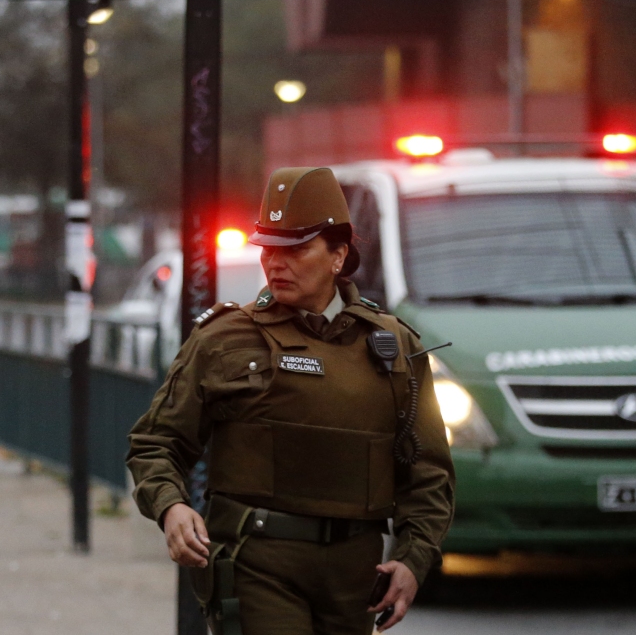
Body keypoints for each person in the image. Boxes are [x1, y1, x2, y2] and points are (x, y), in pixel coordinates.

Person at [127, 166, 455, 634]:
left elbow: (429, 473)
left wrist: (412, 558)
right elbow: (154, 442)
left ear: (338, 255)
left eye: (296, 248)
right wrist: (171, 507)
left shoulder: (393, 346)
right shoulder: (224, 338)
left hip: (354, 577)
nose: (275, 263)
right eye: (268, 249)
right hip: (257, 564)